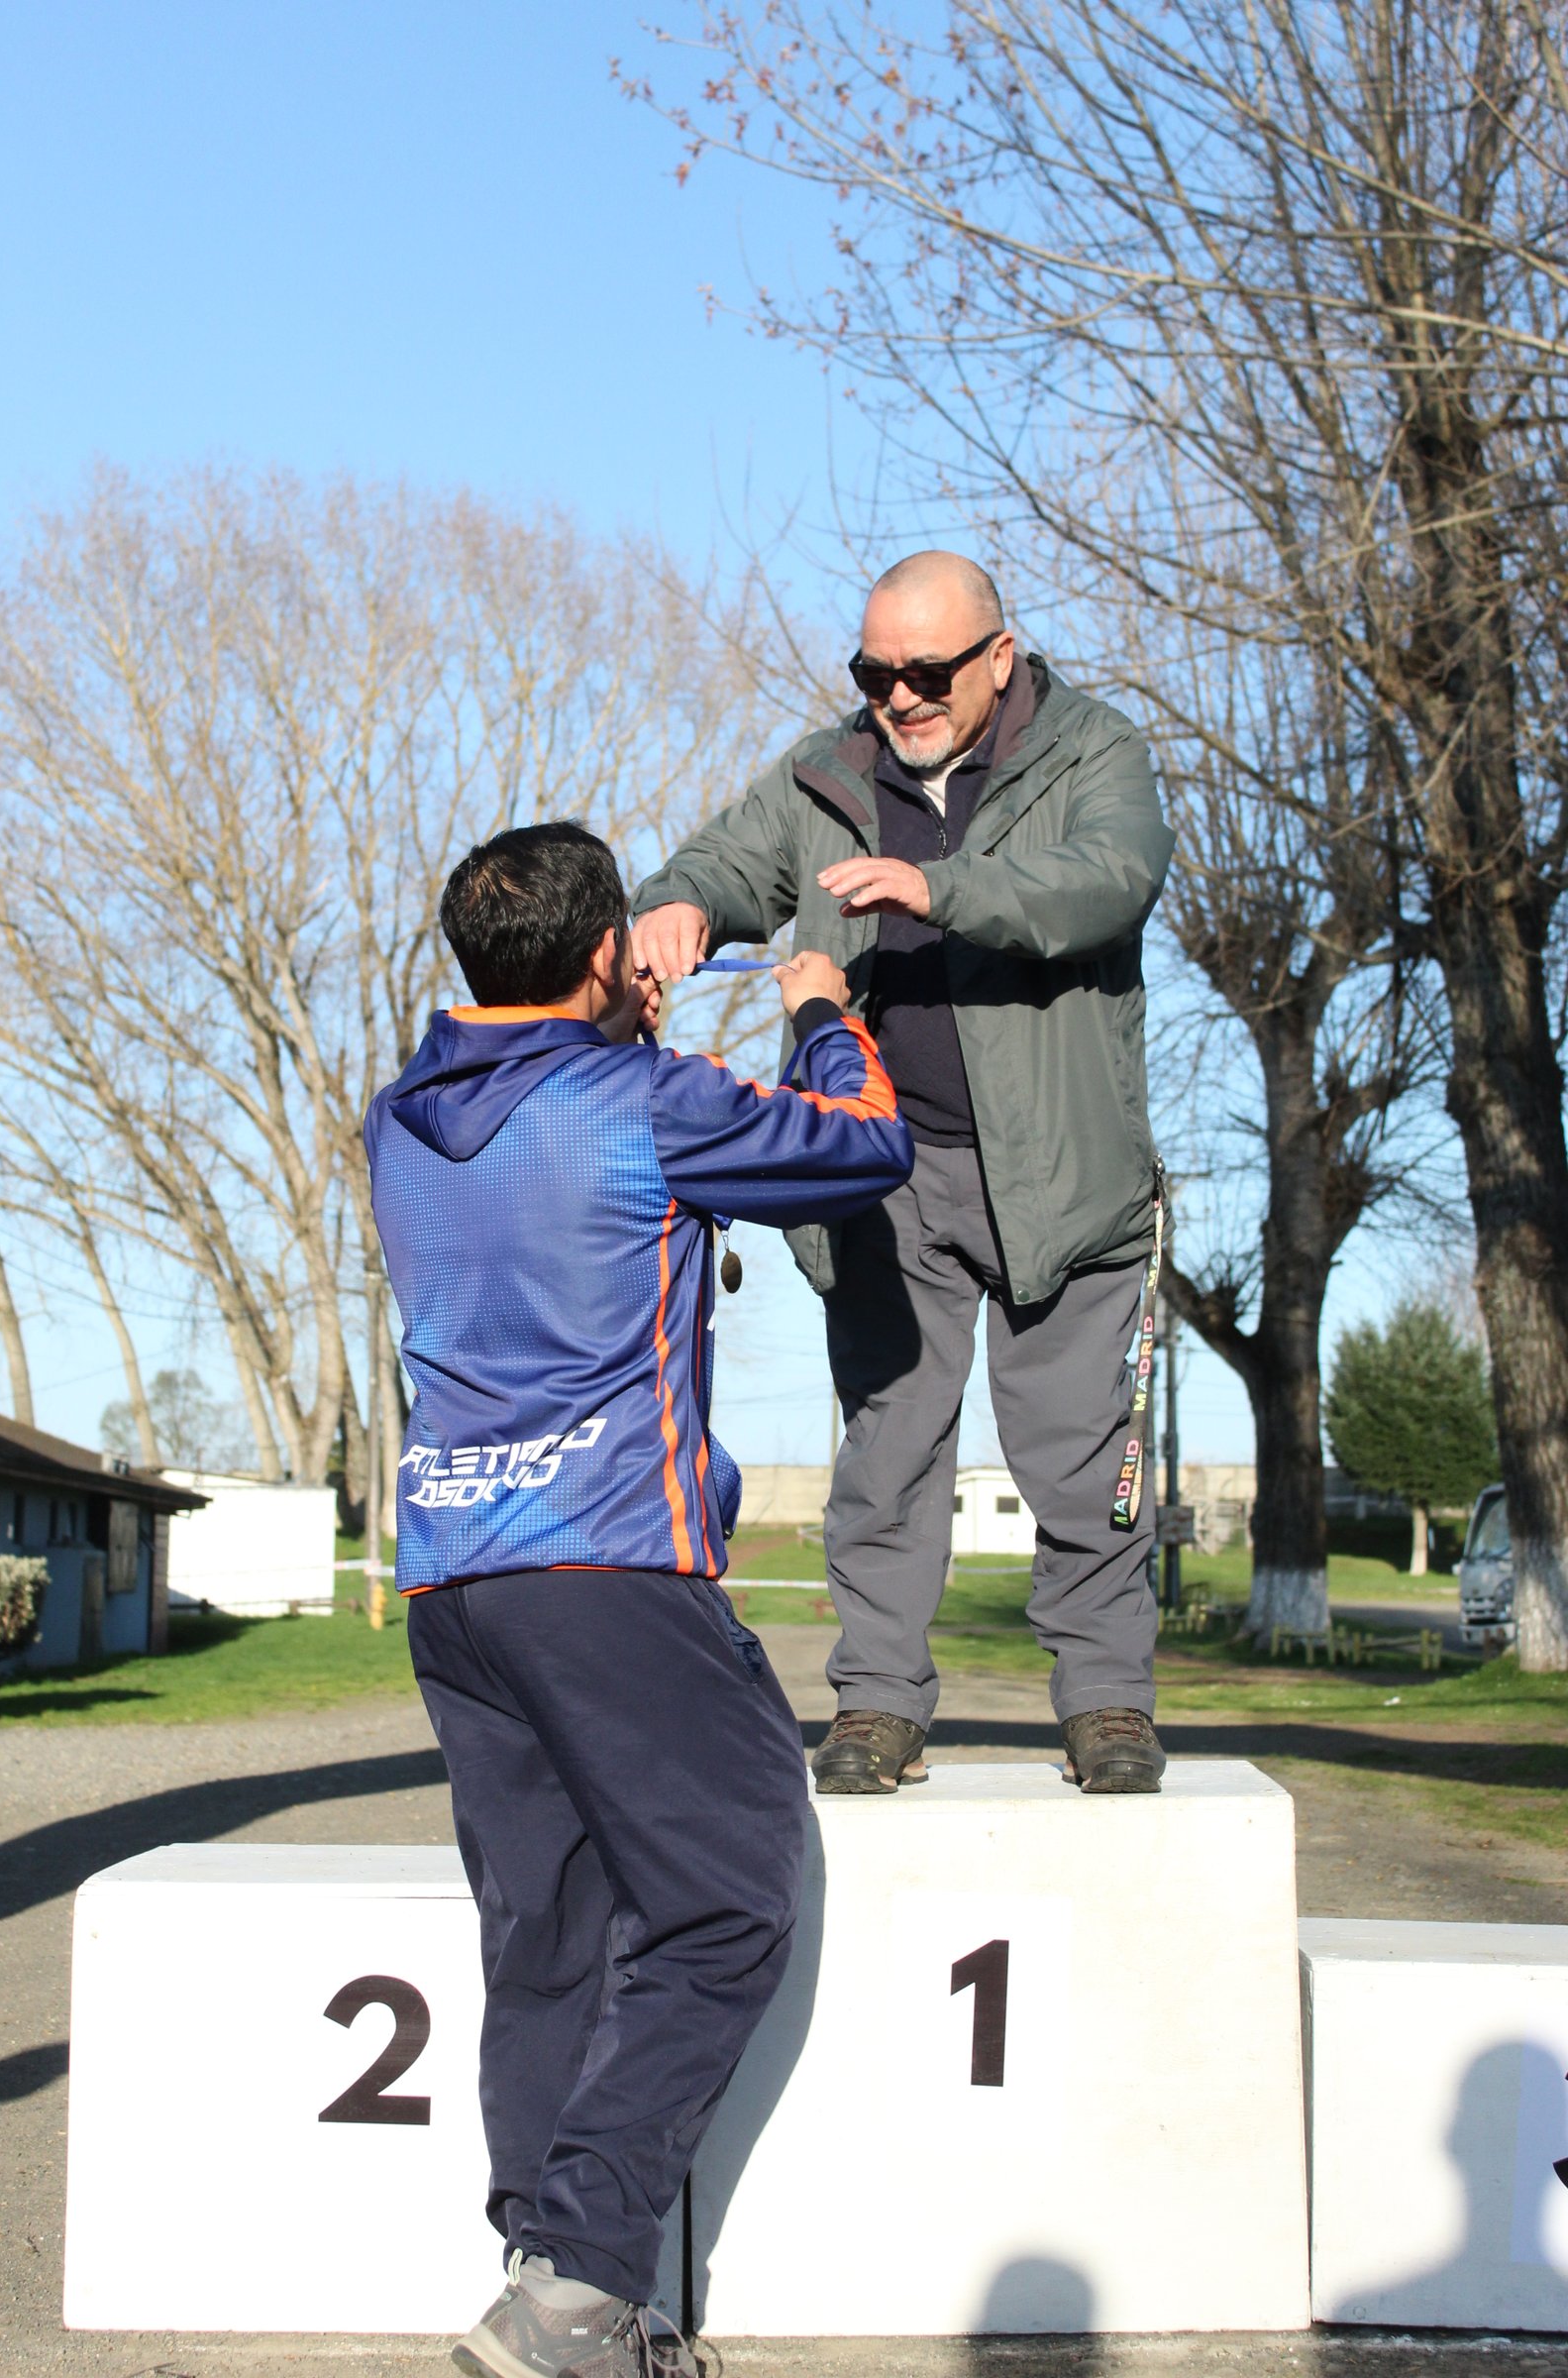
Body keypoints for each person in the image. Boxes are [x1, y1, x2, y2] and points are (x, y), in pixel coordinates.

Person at [366, 821, 912, 2378]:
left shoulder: (398, 1117)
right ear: (611, 954)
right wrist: (819, 1008)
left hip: (455, 1582)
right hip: (609, 1568)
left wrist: (594, 1012)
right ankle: (584, 2285)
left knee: (546, 1929)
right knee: (731, 1897)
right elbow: (859, 1148)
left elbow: (510, 1089)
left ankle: (552, 2296)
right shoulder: (651, 1102)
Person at [633, 551, 1175, 1798]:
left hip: (1065, 1176)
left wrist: (936, 890)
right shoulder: (827, 777)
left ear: (998, 656)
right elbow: (719, 867)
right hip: (884, 1178)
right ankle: (876, 1704)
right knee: (886, 1452)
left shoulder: (1098, 755)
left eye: (926, 672)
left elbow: (1104, 884)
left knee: (1081, 1456)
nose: (899, 696)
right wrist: (678, 908)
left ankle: (1106, 1705)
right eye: (874, 672)